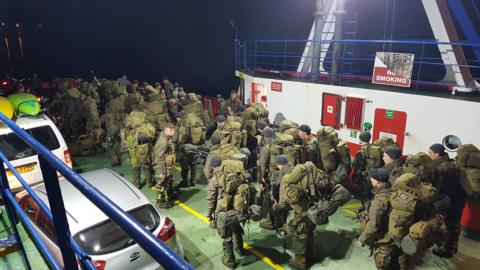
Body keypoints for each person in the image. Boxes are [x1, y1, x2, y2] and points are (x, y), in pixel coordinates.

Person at [272, 155, 313, 269]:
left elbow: (282, 204)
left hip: (301, 213)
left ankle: (300, 262)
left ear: (279, 165)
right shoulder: (298, 170)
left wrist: (275, 207)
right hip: (312, 209)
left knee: (300, 235)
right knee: (309, 232)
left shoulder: (286, 179)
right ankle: (310, 255)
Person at [206, 157, 248, 268]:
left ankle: (229, 260)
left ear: (213, 167)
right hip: (239, 210)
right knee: (236, 229)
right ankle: (240, 249)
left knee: (226, 237)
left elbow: (211, 199)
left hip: (224, 213)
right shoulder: (238, 175)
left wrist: (209, 215)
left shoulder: (215, 179)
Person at [429, 144, 464, 258]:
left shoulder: (444, 168)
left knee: (451, 226)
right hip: (456, 200)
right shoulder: (450, 163)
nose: (429, 156)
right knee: (452, 226)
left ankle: (447, 250)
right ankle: (448, 247)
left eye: (430, 153)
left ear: (437, 154)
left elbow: (445, 189)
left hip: (453, 202)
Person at [357, 168, 394, 270]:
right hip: (394, 232)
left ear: (378, 181)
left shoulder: (379, 199)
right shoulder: (391, 189)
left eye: (372, 179)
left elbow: (374, 224)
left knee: (381, 264)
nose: (370, 180)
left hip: (385, 236)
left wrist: (362, 239)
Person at [153, 123, 177, 208]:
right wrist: (161, 172)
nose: (173, 132)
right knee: (161, 184)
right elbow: (159, 158)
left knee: (167, 182)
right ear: (165, 130)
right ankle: (160, 202)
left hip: (167, 166)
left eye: (173, 130)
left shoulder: (167, 138)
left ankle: (167, 198)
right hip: (162, 167)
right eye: (171, 130)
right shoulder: (163, 142)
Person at [352, 131, 373, 198]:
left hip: (364, 176)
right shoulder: (373, 148)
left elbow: (359, 167)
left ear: (360, 140)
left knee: (364, 193)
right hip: (372, 174)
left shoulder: (361, 152)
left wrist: (355, 179)